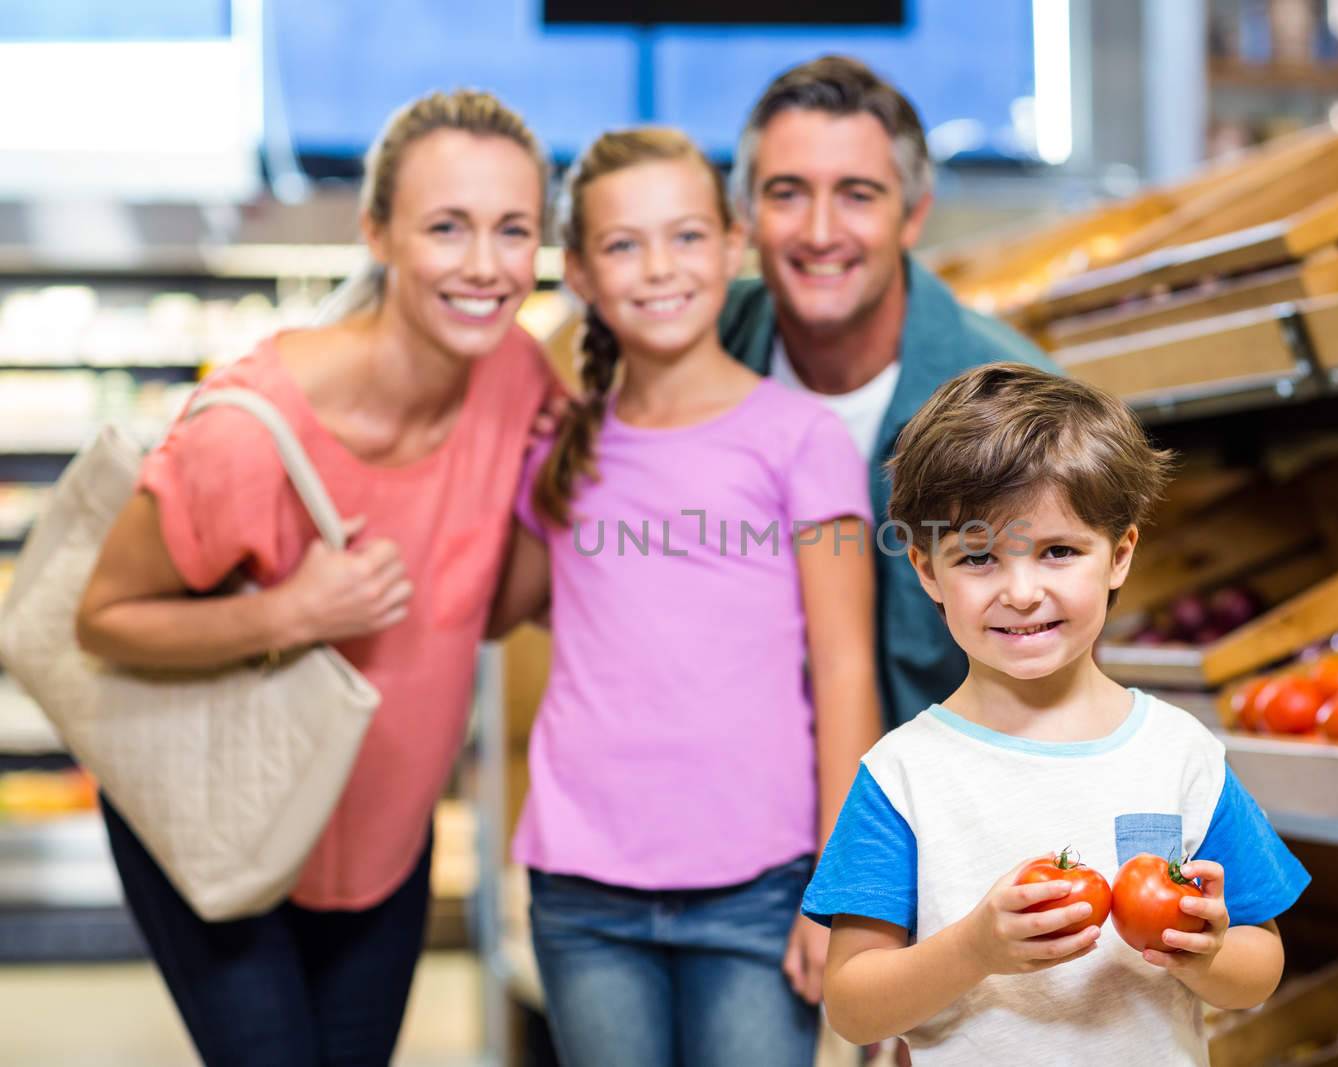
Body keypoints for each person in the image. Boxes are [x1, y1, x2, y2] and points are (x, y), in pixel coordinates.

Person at [75, 90, 557, 1066]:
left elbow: (496, 609)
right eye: (446, 226)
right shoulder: (250, 431)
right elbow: (103, 618)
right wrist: (295, 610)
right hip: (215, 825)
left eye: (512, 229)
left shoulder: (520, 379)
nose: (484, 264)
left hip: (383, 838)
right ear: (376, 231)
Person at [488, 127, 881, 1067]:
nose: (659, 268)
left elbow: (845, 665)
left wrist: (846, 886)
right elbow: (498, 605)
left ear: (733, 243)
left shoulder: (802, 440)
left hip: (764, 885)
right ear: (578, 272)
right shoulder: (560, 449)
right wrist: (494, 422)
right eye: (623, 245)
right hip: (582, 888)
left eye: (687, 237)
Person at [801, 364, 1310, 1064]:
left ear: (1119, 555)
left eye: (1059, 551)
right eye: (978, 556)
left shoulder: (1180, 754)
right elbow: (854, 1005)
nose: (1020, 590)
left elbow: (1260, 968)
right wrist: (974, 946)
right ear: (926, 570)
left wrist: (1204, 951)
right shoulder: (903, 776)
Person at [721, 55, 1058, 730]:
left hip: (944, 820)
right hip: (735, 812)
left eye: (857, 194)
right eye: (787, 193)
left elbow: (1054, 679)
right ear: (747, 215)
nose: (819, 231)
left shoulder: (1013, 404)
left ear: (912, 217)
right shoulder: (699, 354)